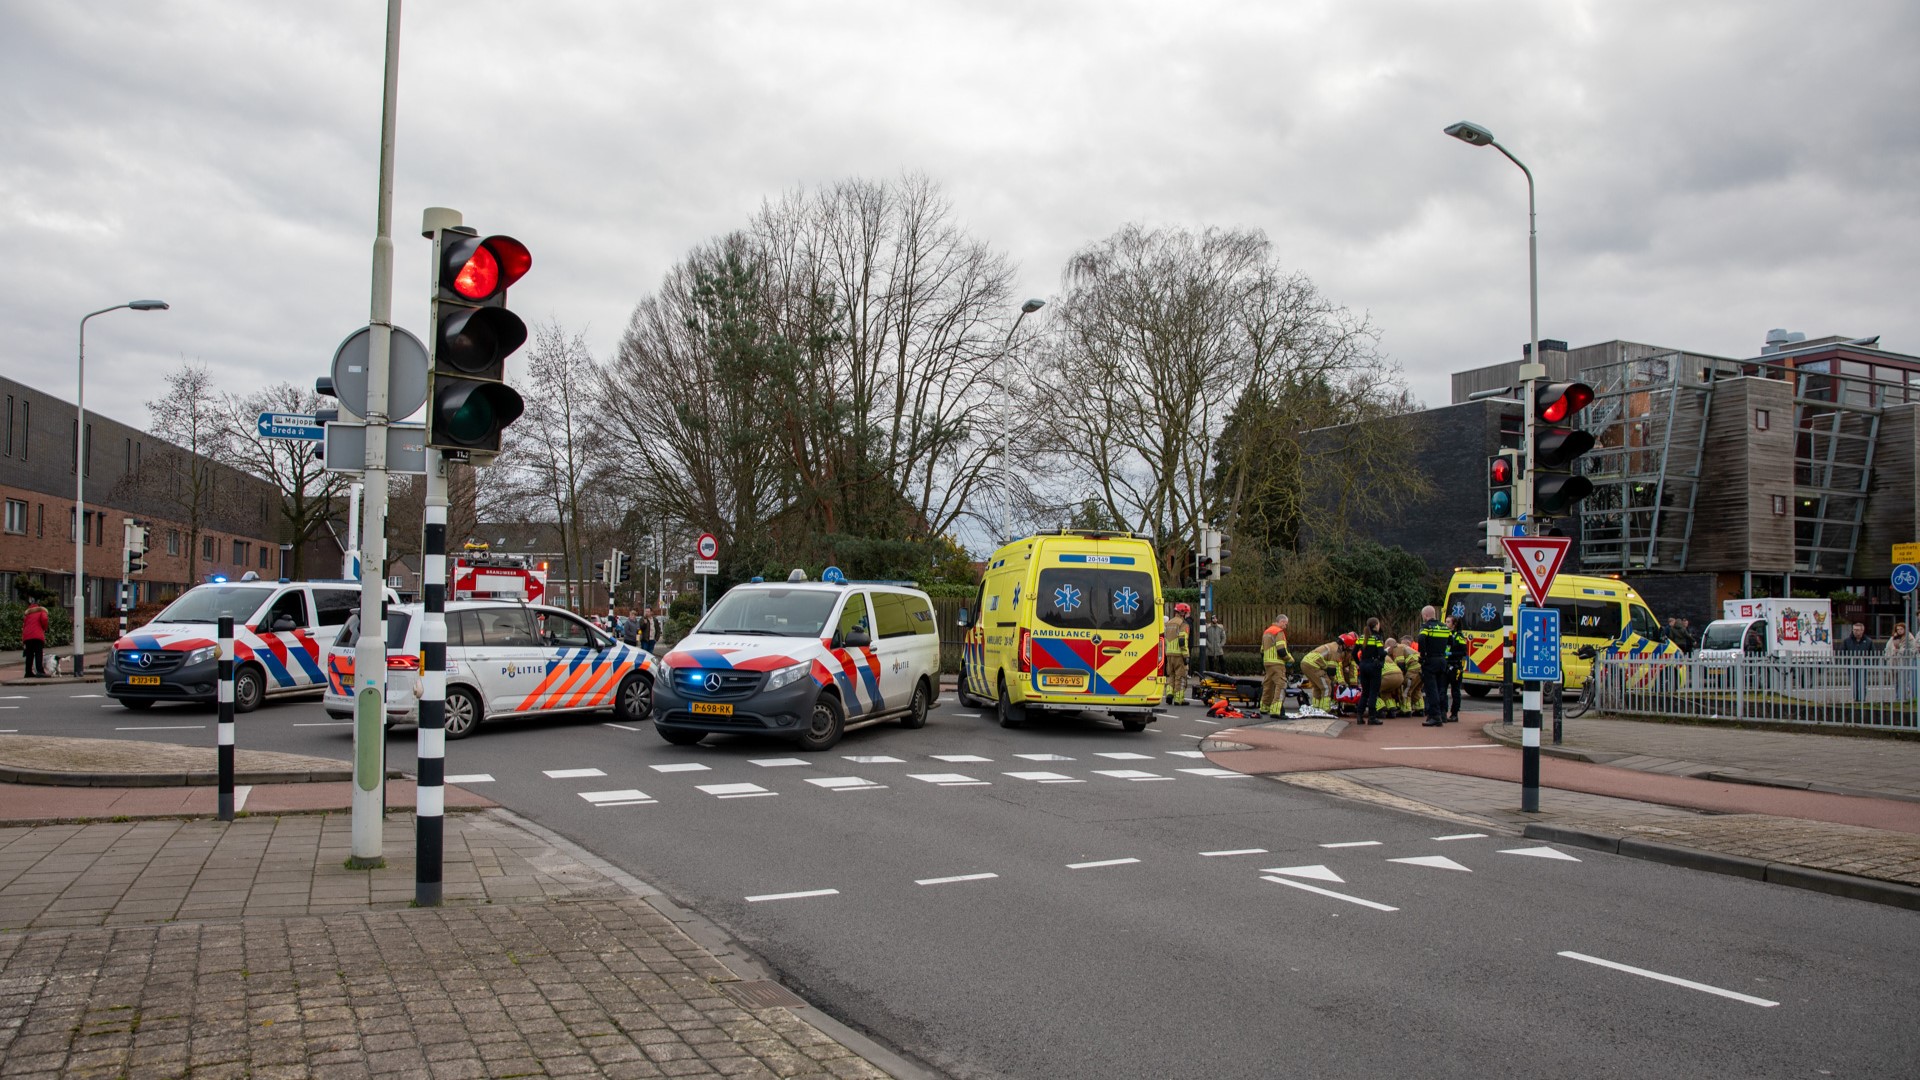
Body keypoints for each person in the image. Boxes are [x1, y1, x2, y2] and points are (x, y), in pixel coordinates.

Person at [1300, 633, 1356, 713]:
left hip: (1305, 663)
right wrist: (1337, 682)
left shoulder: (1333, 645)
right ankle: (1325, 709)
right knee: (1326, 686)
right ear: (1345, 645)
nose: (1350, 648)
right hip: (1313, 665)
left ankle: (1316, 707)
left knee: (1317, 687)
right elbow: (1331, 671)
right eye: (1349, 646)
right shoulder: (1336, 651)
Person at [1416, 605, 1451, 727]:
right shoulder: (1444, 627)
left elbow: (1421, 639)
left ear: (1425, 616)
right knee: (1441, 688)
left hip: (1430, 660)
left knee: (1431, 689)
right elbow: (1451, 641)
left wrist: (1423, 654)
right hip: (1442, 660)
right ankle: (1440, 714)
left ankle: (1435, 716)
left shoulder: (1426, 627)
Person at [1352, 619, 1389, 725]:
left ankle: (1359, 716)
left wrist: (1360, 663)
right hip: (1374, 666)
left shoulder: (1362, 638)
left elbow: (1354, 653)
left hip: (1363, 666)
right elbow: (1381, 654)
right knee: (1373, 692)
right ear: (1376, 625)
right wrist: (1386, 651)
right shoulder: (1377, 638)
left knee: (1365, 692)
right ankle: (1372, 717)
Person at [1259, 613, 1291, 716]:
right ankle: (1276, 710)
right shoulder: (1279, 632)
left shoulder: (1267, 632)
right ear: (1281, 622)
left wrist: (1266, 661)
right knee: (1281, 685)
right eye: (1285, 624)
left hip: (1267, 663)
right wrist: (1289, 659)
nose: (1285, 626)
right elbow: (1281, 650)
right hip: (1277, 663)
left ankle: (1264, 707)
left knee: (1268, 685)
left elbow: (1262, 650)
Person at [1838, 621, 1875, 703]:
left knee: (1862, 682)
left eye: (1858, 630)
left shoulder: (1868, 641)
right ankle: (1855, 698)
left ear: (1862, 630)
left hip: (1863, 665)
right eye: (1854, 629)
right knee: (1854, 683)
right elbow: (1842, 652)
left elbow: (1872, 653)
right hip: (1851, 665)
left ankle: (1862, 698)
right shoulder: (1847, 641)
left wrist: (1868, 661)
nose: (1856, 631)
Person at [1163, 603, 1191, 705]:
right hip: (1179, 654)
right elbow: (1182, 641)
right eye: (1187, 612)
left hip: (1169, 654)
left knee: (1171, 675)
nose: (1188, 614)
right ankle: (1179, 700)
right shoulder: (1183, 624)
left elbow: (1165, 639)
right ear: (1182, 613)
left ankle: (1169, 694)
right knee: (1181, 676)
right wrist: (1186, 656)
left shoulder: (1169, 623)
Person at [1445, 615, 1470, 722]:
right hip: (1445, 665)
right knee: (1442, 690)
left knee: (1455, 691)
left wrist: (1451, 653)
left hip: (1455, 667)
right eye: (1446, 622)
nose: (1446, 624)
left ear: (1454, 624)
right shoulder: (1445, 634)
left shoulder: (1459, 636)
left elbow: (1463, 652)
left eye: (1448, 622)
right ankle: (1443, 712)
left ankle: (1454, 714)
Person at [1886, 622, 1918, 702]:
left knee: (1903, 680)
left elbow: (1914, 649)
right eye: (1898, 629)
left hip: (1905, 662)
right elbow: (1888, 648)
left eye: (1901, 629)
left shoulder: (1909, 638)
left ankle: (1903, 697)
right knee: (1896, 681)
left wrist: (1901, 650)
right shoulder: (1893, 638)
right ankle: (1897, 697)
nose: (1899, 631)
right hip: (1894, 661)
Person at [21, 600, 49, 678]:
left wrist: (23, 639)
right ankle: (40, 671)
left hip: (27, 637)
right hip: (37, 636)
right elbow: (44, 619)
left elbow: (24, 626)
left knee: (29, 654)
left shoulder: (28, 614)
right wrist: (44, 627)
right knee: (38, 653)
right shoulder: (41, 611)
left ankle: (28, 672)